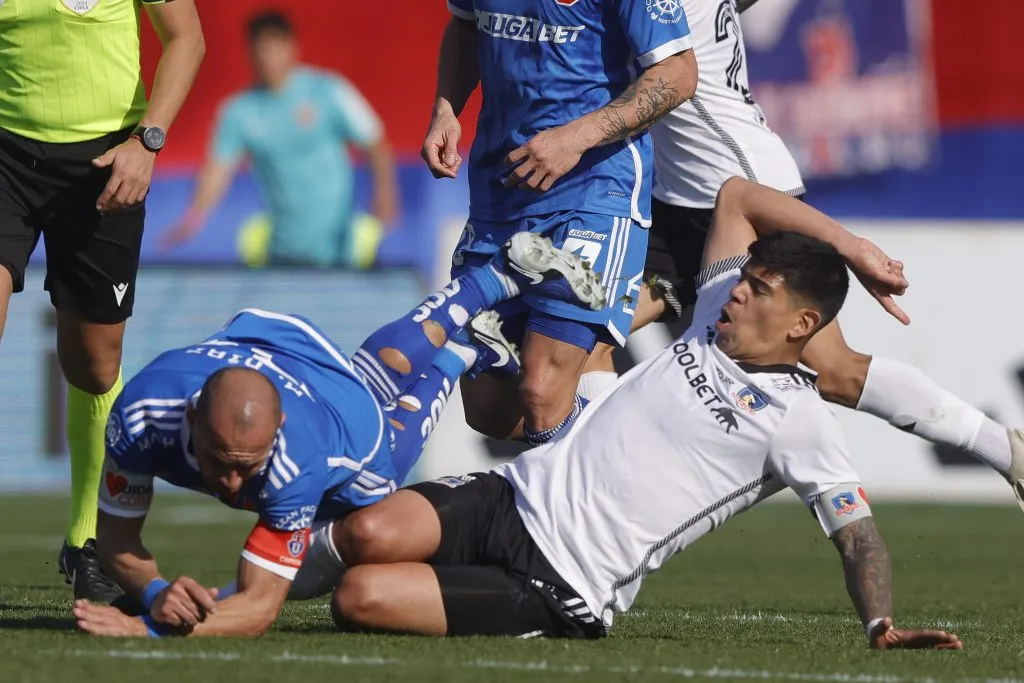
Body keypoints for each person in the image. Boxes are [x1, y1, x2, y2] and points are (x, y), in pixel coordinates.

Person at [282, 178, 960, 650]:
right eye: (744, 280)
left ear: (802, 323)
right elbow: (736, 196)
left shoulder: (800, 420)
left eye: (760, 291)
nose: (737, 294)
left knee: (360, 596)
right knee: (365, 529)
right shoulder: (713, 314)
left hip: (559, 581)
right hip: (510, 496)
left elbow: (859, 538)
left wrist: (881, 624)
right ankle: (238, 598)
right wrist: (854, 247)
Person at [576, 0, 1024, 503]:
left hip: (747, 195)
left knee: (835, 371)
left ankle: (1007, 451)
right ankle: (599, 493)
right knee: (588, 340)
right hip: (678, 204)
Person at [70, 233, 604, 637]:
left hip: (326, 407)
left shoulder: (295, 460)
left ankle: (466, 348)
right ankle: (490, 290)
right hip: (255, 341)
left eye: (246, 464)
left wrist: (150, 626)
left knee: (379, 476)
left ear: (276, 431)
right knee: (377, 371)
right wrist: (156, 590)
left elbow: (260, 607)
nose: (233, 483)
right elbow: (118, 542)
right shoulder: (139, 415)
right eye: (219, 461)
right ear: (189, 419)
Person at [420, 0, 698, 448]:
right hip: (501, 191)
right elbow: (466, 27)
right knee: (489, 409)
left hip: (593, 191)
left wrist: (577, 138)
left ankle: (600, 503)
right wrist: (446, 109)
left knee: (542, 388)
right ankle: (628, 456)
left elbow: (679, 73)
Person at [0, 0, 205, 600]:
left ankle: (86, 541)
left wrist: (148, 142)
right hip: (6, 155)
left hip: (108, 160)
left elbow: (186, 38)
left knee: (94, 367)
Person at [160, 10, 399, 268]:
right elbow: (217, 169)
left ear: (292, 48)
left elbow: (375, 142)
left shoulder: (328, 90)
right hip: (283, 252)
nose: (267, 57)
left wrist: (385, 194)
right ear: (249, 53)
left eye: (274, 47)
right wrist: (193, 217)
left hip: (343, 249)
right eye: (260, 49)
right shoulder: (239, 112)